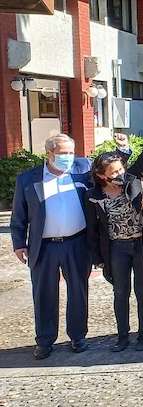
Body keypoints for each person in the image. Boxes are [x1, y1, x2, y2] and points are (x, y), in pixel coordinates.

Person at [12, 132, 96, 359]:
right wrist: (19, 243)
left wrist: (124, 149)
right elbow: (18, 216)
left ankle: (78, 337)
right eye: (62, 153)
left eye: (70, 153)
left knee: (79, 292)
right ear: (49, 153)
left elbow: (114, 169)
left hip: (77, 243)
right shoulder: (28, 179)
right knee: (44, 294)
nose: (68, 157)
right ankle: (45, 340)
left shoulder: (83, 169)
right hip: (44, 247)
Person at [86, 121, 143, 353]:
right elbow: (93, 229)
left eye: (120, 170)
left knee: (142, 291)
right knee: (120, 293)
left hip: (140, 244)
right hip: (116, 248)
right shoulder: (93, 196)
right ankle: (122, 336)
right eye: (113, 172)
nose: (119, 174)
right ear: (101, 176)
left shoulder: (133, 178)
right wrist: (97, 257)